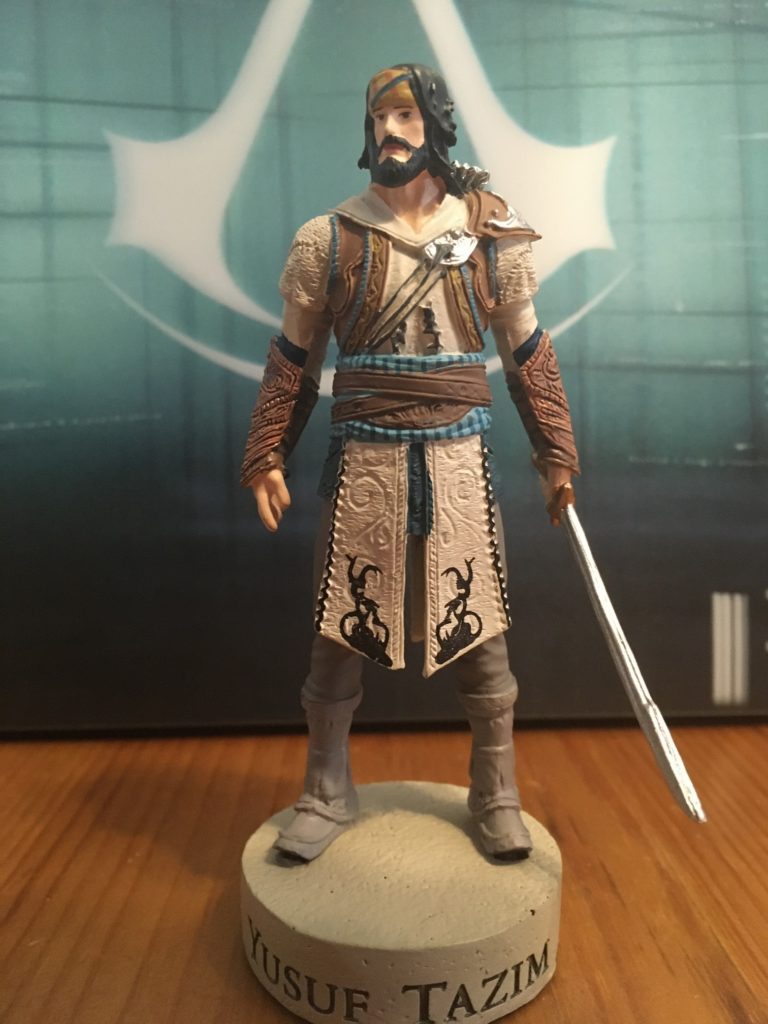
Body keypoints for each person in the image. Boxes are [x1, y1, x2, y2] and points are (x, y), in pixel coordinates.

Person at [241, 64, 579, 863]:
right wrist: (266, 449)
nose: (389, 131)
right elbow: (294, 354)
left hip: (459, 461)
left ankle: (496, 790)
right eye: (378, 117)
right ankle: (326, 789)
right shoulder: (328, 239)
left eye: (405, 114)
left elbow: (527, 349)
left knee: (482, 631)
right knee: (339, 630)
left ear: (436, 122)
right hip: (365, 461)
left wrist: (556, 449)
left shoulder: (490, 234)